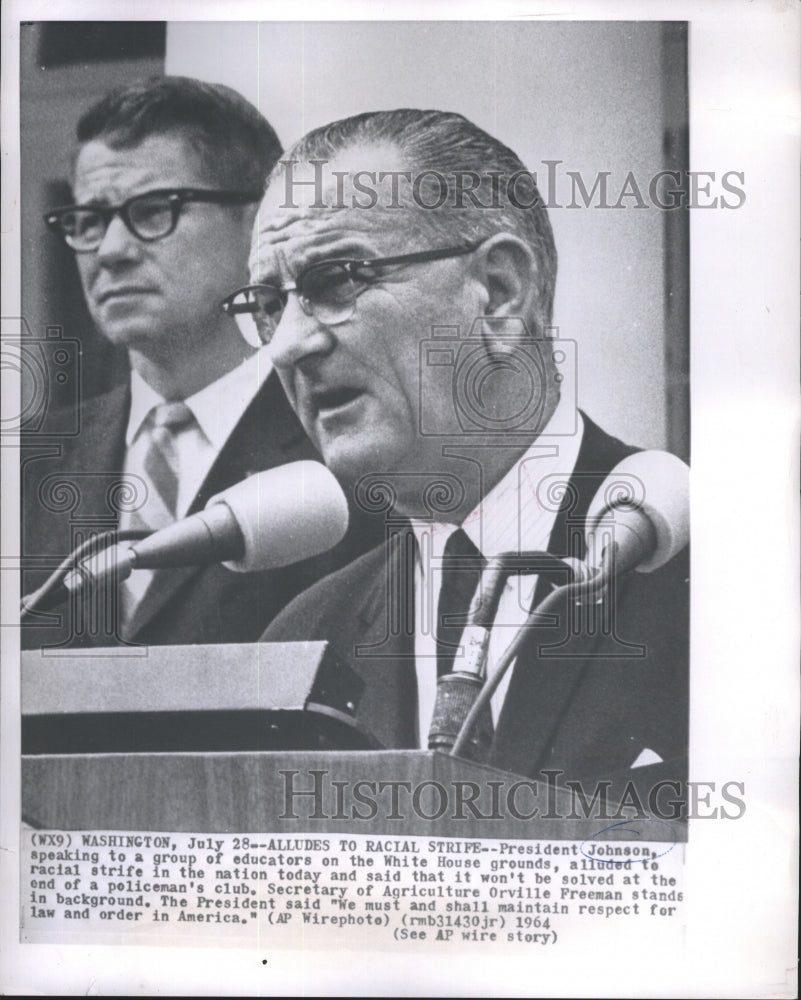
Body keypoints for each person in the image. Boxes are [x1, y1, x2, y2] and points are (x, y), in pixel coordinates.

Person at [229, 108, 689, 788]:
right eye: (268, 302)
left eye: (335, 281)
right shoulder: (304, 637)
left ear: (500, 292)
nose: (286, 344)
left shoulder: (723, 581)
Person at [21, 77, 382, 650]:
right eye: (88, 221)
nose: (110, 251)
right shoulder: (26, 465)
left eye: (154, 210)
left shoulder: (343, 452)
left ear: (256, 222)